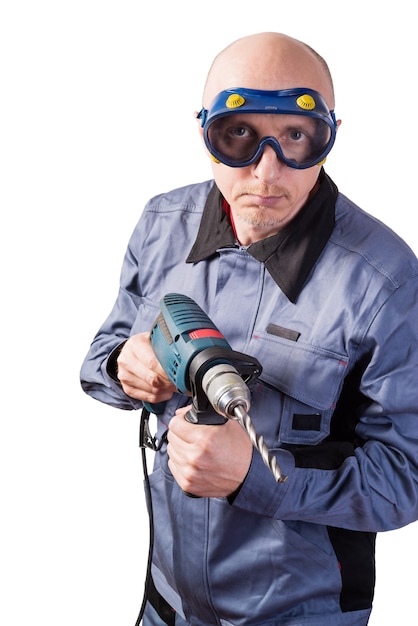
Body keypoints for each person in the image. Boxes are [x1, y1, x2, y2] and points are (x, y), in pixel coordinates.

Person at [80, 32, 418, 626]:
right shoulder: (162, 224)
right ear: (204, 131)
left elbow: (409, 476)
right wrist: (123, 367)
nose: (268, 171)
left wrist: (259, 476)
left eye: (296, 136)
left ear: (329, 132)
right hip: (167, 601)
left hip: (299, 613)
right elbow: (99, 360)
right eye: (238, 135)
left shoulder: (384, 281)